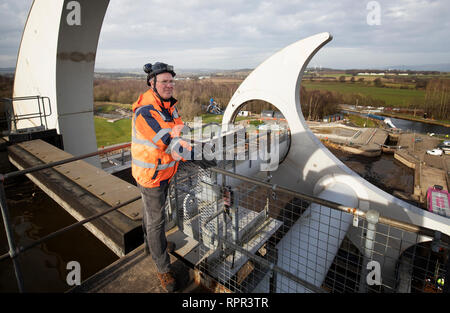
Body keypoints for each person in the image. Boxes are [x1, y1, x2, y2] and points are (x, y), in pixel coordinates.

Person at [131, 62, 214, 292]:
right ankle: (163, 268)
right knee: (156, 221)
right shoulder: (145, 112)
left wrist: (193, 148)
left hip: (166, 172)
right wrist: (197, 156)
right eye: (164, 81)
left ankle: (153, 245)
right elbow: (168, 142)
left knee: (152, 216)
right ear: (152, 83)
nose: (169, 85)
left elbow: (180, 133)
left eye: (171, 81)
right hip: (151, 176)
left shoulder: (170, 107)